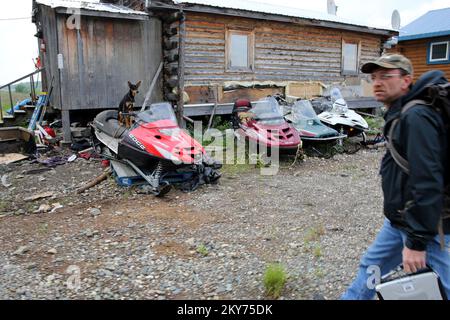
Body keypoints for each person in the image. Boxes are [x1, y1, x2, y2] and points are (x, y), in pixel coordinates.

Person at [341, 54, 450, 300]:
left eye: (386, 76)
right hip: (399, 221)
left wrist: (417, 242)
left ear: (406, 81)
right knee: (371, 267)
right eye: (374, 77)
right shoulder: (399, 114)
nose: (377, 82)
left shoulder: (416, 117)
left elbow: (428, 181)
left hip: (429, 227)